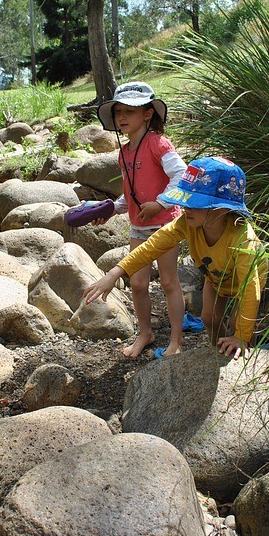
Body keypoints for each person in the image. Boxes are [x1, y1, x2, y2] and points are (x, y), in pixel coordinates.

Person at [83, 157, 268, 358]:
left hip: (245, 280)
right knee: (209, 318)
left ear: (223, 209)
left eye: (194, 203)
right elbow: (153, 246)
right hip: (216, 276)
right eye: (184, 201)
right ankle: (220, 352)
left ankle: (245, 345)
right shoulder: (188, 222)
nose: (185, 208)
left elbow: (251, 290)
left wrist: (241, 335)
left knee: (237, 324)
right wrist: (115, 272)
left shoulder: (242, 240)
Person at [94, 81, 187, 358]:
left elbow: (182, 176)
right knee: (137, 283)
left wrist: (161, 202)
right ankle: (145, 333)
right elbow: (131, 192)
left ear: (148, 114)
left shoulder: (158, 144)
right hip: (139, 226)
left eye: (130, 111)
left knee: (169, 282)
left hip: (165, 225)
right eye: (118, 111)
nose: (122, 117)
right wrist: (111, 209)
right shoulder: (124, 152)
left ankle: (176, 340)